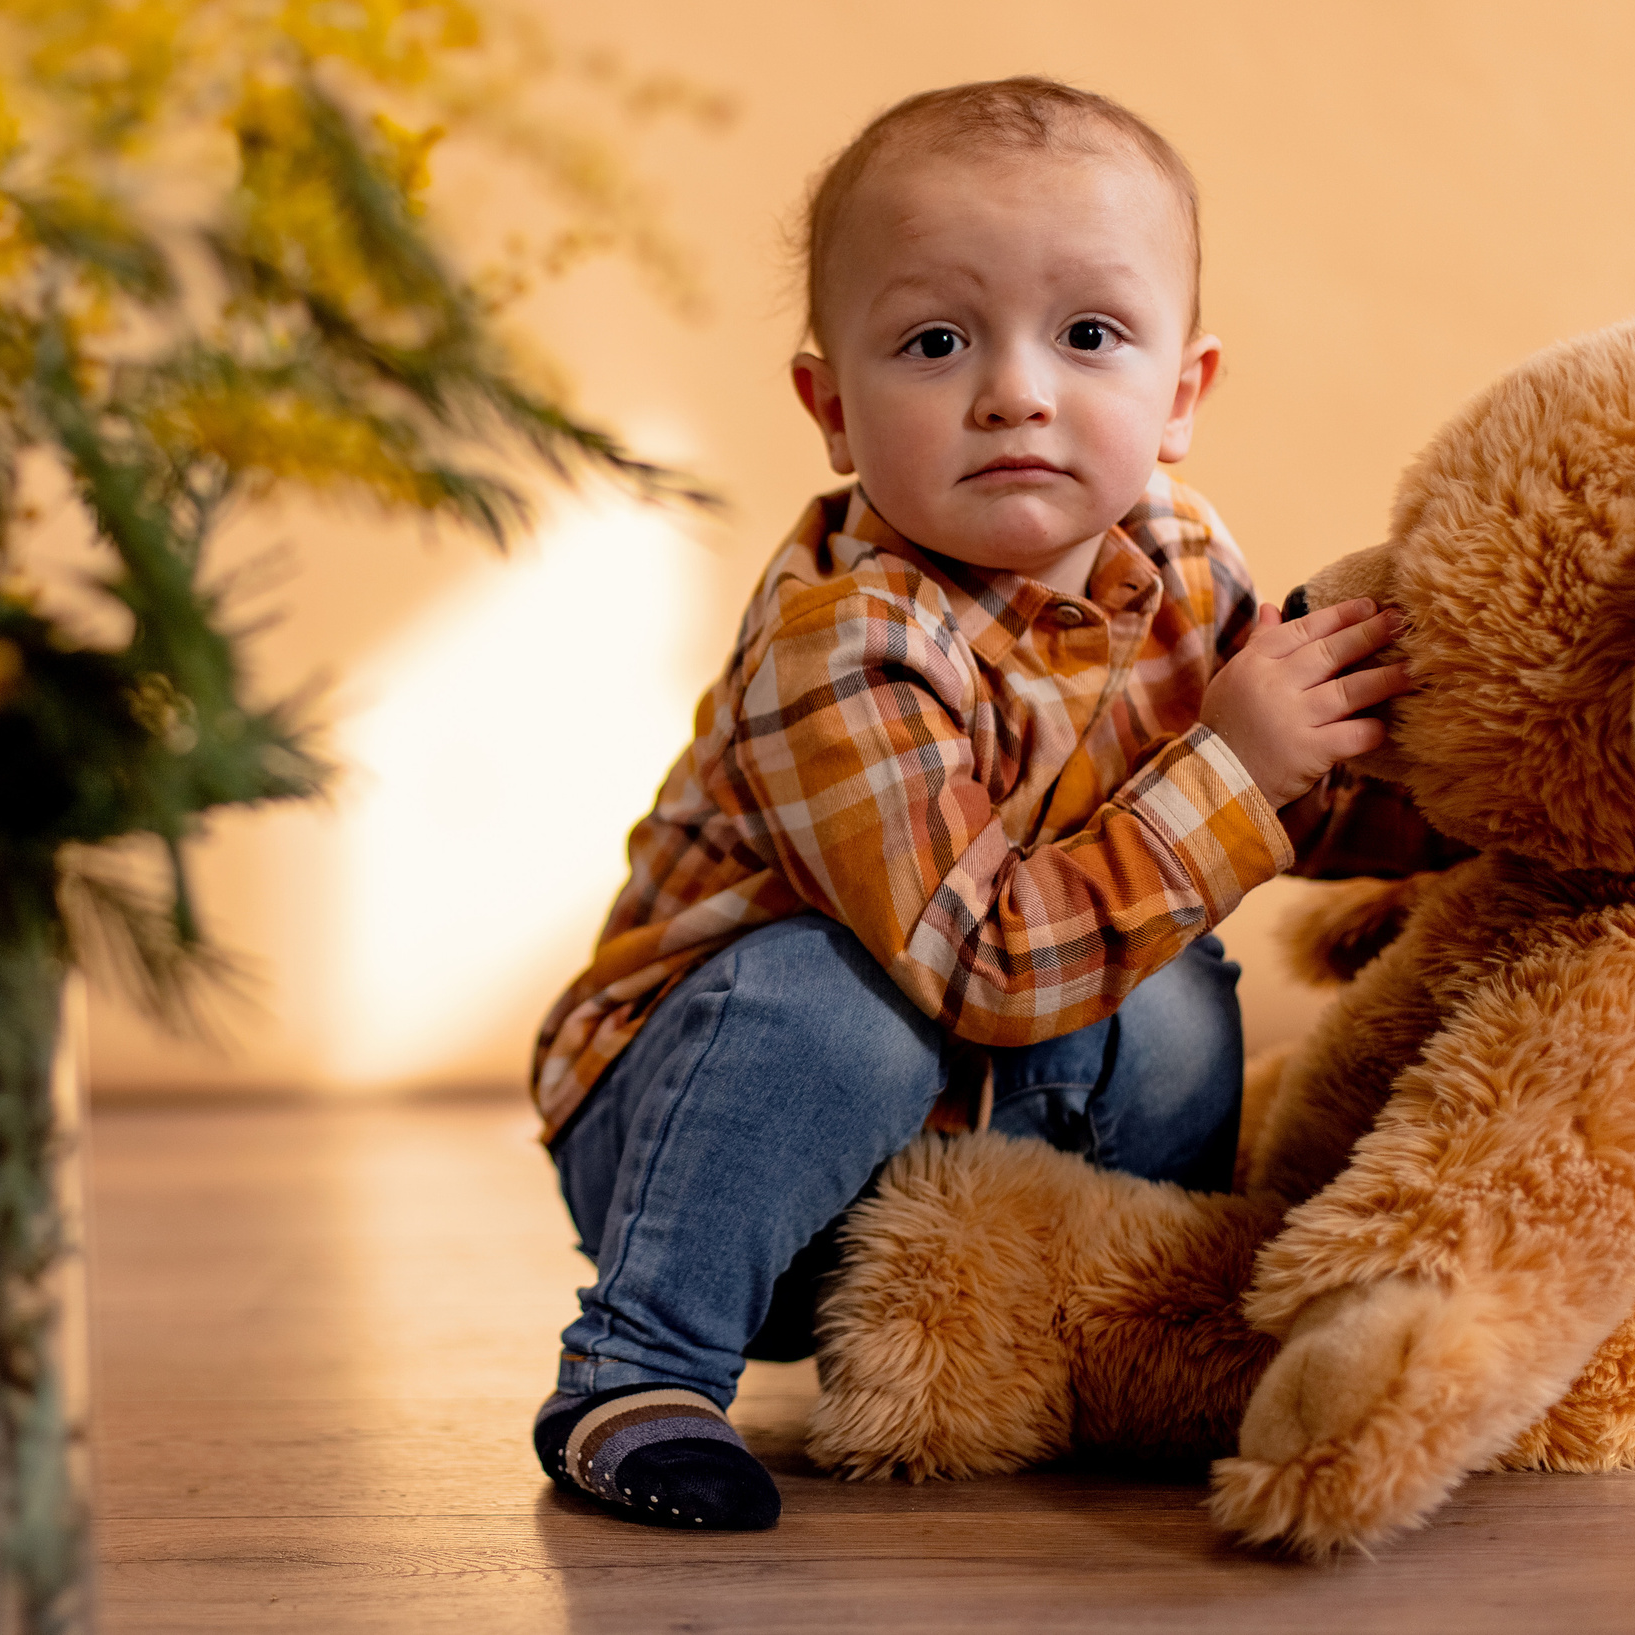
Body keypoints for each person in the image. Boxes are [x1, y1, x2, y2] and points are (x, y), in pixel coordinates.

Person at [529, 77, 1423, 1531]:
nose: (1017, 389)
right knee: (840, 1007)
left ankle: (1121, 1329)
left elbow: (1284, 816)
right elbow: (988, 961)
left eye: (1089, 336)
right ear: (831, 408)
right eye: (937, 342)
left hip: (981, 1141)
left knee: (1180, 990)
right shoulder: (848, 637)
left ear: (1180, 395)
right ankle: (637, 1371)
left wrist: (1465, 815)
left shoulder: (1181, 565)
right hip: (716, 1145)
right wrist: (1242, 767)